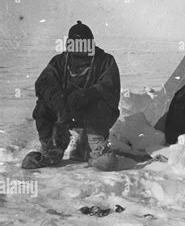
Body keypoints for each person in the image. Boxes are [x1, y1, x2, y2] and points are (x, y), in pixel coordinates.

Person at [22, 21, 121, 171]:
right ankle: (52, 148)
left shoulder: (105, 61)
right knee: (43, 106)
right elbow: (43, 83)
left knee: (100, 104)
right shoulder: (60, 61)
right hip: (64, 112)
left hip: (93, 116)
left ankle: (96, 149)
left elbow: (109, 88)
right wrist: (58, 98)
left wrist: (82, 96)